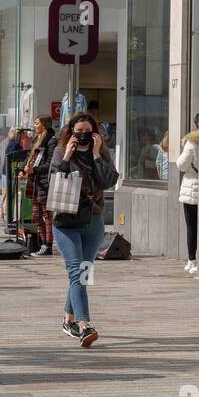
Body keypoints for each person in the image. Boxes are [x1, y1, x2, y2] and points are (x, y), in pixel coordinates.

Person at [51, 112, 119, 346]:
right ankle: (84, 325)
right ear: (70, 133)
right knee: (76, 273)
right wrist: (67, 157)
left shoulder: (99, 153)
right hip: (66, 222)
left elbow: (109, 181)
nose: (82, 137)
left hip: (94, 221)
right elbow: (52, 180)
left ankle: (68, 318)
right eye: (77, 132)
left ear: (94, 133)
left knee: (84, 273)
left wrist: (98, 154)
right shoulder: (61, 152)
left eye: (86, 133)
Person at [20, 115, 56, 256]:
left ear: (44, 125)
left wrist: (34, 170)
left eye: (36, 123)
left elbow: (50, 164)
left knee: (47, 215)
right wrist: (23, 170)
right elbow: (30, 158)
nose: (34, 126)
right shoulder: (37, 139)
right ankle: (43, 243)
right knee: (36, 215)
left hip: (44, 182)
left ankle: (48, 245)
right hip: (35, 182)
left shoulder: (51, 141)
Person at [176, 115, 199, 275]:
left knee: (192, 226)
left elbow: (181, 165)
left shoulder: (192, 141)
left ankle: (192, 260)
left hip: (192, 187)